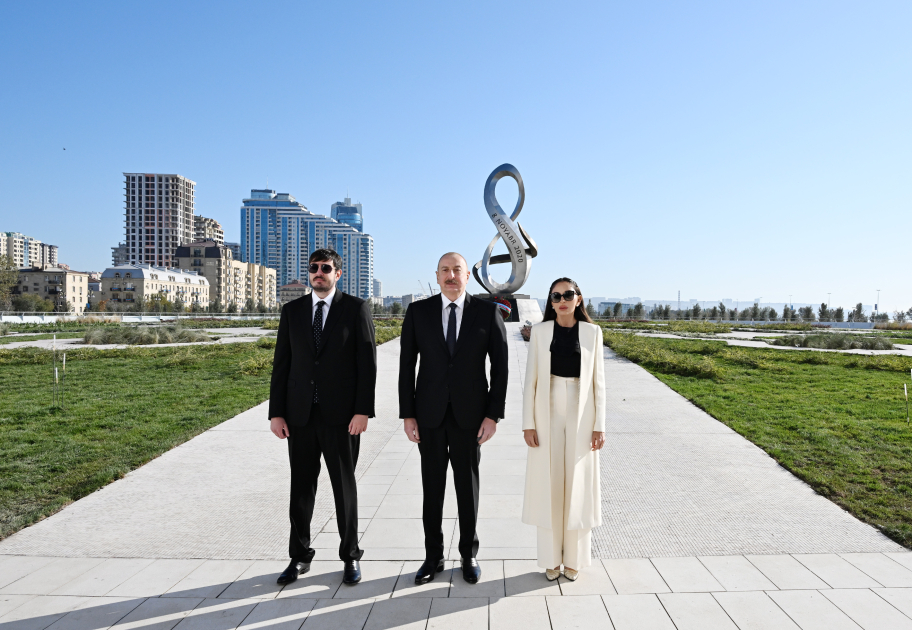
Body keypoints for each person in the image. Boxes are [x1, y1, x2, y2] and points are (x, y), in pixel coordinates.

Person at [268, 248, 377, 586]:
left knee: (344, 488)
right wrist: (277, 413)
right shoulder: (292, 311)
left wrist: (362, 411)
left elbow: (367, 364)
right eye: (314, 268)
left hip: (342, 418)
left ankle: (350, 557)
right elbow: (282, 365)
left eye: (325, 268)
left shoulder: (356, 309)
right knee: (300, 488)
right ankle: (298, 557)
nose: (318, 273)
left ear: (337, 273)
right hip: (300, 416)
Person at [399, 252, 509, 585]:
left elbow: (500, 369)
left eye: (457, 270)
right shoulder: (418, 312)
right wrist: (408, 414)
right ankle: (433, 557)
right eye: (445, 270)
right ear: (436, 276)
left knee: (467, 488)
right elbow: (407, 367)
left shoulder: (488, 313)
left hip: (470, 418)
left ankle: (468, 554)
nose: (451, 275)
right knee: (431, 490)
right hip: (429, 416)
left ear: (466, 276)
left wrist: (493, 415)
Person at [521, 277, 606, 581]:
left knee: (578, 484)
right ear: (551, 301)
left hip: (583, 409)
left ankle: (575, 559)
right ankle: (550, 559)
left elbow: (599, 383)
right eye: (556, 296)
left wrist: (600, 425)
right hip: (547, 406)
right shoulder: (541, 332)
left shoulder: (592, 332)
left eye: (568, 294)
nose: (562, 300)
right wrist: (528, 424)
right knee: (550, 483)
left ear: (579, 299)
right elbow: (530, 381)